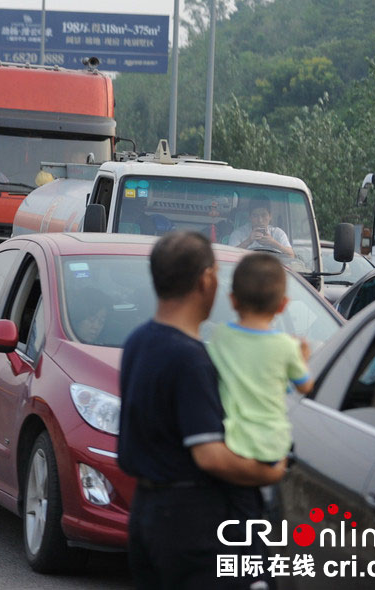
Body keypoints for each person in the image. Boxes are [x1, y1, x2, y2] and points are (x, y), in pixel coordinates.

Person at [118, 231, 286, 589]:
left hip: (146, 513)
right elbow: (210, 456)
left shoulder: (138, 341)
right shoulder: (190, 359)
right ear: (206, 279)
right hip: (191, 523)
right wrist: (270, 471)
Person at [208, 253, 313, 466]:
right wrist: (302, 359)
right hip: (271, 447)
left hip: (229, 443)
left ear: (232, 300)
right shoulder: (287, 346)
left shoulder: (220, 336)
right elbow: (305, 386)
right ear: (283, 305)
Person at [229, 197, 294, 257]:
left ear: (270, 216)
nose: (260, 220)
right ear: (250, 217)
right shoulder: (238, 233)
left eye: (264, 215)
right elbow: (229, 256)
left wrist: (273, 243)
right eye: (255, 215)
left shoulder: (278, 233)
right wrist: (248, 241)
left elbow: (291, 255)